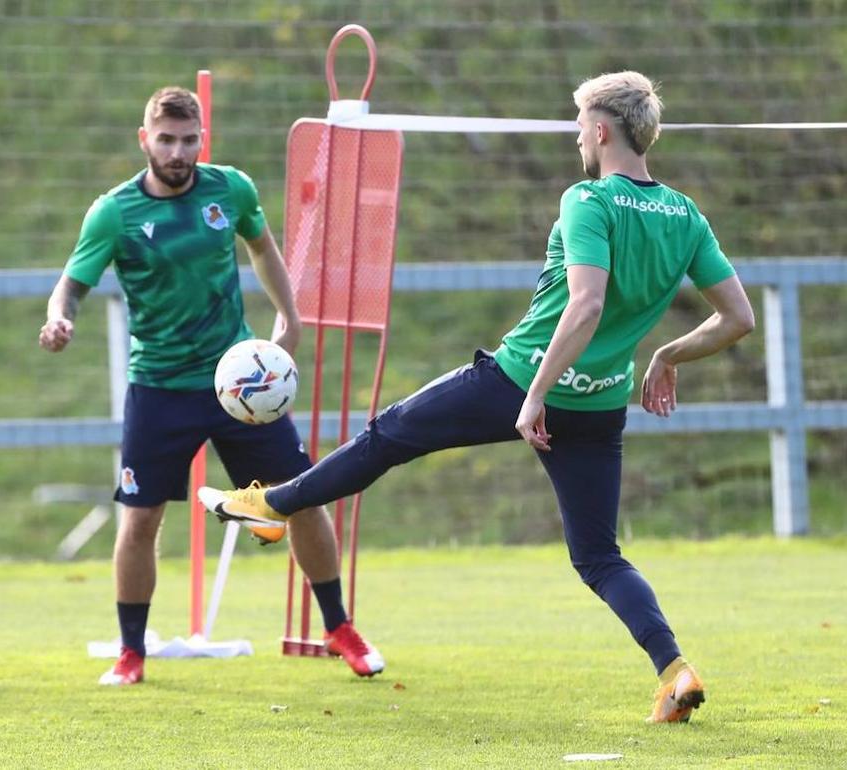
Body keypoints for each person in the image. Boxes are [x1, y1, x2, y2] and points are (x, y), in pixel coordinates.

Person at [201, 71, 755, 723]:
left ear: (603, 131)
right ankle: (674, 670)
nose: (577, 137)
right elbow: (738, 317)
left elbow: (586, 303)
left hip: (519, 379)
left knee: (388, 435)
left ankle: (272, 505)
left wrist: (535, 394)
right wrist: (667, 354)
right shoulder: (686, 215)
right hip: (601, 403)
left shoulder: (588, 199)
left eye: (581, 125)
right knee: (600, 557)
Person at [39, 86, 384, 686]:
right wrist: (59, 318)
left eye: (188, 140)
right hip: (159, 387)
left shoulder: (231, 189)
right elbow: (72, 283)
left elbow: (262, 248)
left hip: (239, 384)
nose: (177, 152)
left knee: (303, 497)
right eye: (166, 140)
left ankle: (338, 627)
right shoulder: (115, 212)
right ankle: (131, 652)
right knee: (139, 519)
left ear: (202, 139)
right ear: (144, 140)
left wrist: (290, 317)